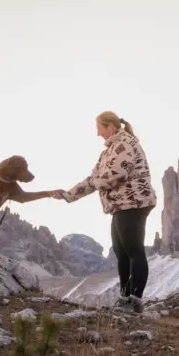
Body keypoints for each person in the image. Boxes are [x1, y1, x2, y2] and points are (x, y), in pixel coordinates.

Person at [50, 111, 156, 313]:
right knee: (121, 252)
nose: (99, 135)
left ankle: (135, 302)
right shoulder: (109, 150)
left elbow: (117, 173)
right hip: (120, 205)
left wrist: (97, 182)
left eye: (100, 130)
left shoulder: (125, 143)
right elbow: (93, 178)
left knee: (134, 251)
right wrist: (68, 195)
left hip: (133, 202)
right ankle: (125, 299)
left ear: (110, 127)